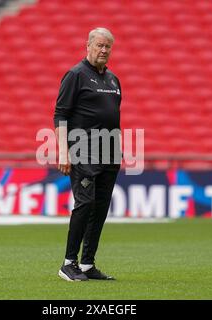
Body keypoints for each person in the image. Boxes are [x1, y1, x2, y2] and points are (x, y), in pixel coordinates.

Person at [53, 27, 122, 281]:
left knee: (100, 208)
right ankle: (68, 263)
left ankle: (87, 264)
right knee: (84, 204)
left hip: (110, 153)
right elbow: (60, 114)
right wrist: (63, 150)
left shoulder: (113, 80)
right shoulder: (75, 75)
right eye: (99, 45)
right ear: (88, 46)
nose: (104, 50)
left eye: (108, 47)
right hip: (83, 151)